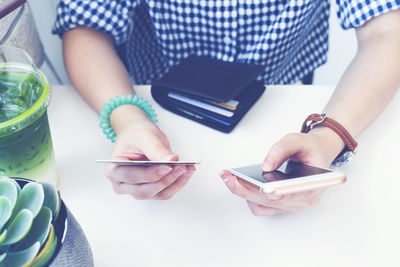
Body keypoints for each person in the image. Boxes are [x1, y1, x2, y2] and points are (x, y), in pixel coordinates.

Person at [53, 1, 400, 215]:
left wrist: (328, 138)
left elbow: (388, 29)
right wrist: (128, 119)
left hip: (284, 105)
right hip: (156, 103)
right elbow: (85, 28)